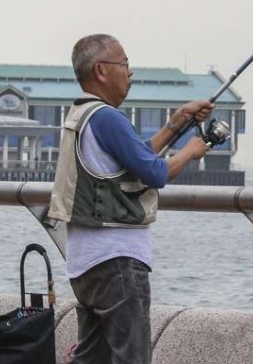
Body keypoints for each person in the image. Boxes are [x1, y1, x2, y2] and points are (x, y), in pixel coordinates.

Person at [47, 34, 214, 363]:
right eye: (124, 65)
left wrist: (174, 124)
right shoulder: (107, 117)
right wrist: (191, 151)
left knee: (92, 356)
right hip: (117, 261)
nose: (130, 74)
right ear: (101, 70)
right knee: (131, 356)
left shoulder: (81, 115)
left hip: (84, 261)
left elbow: (136, 158)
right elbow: (155, 173)